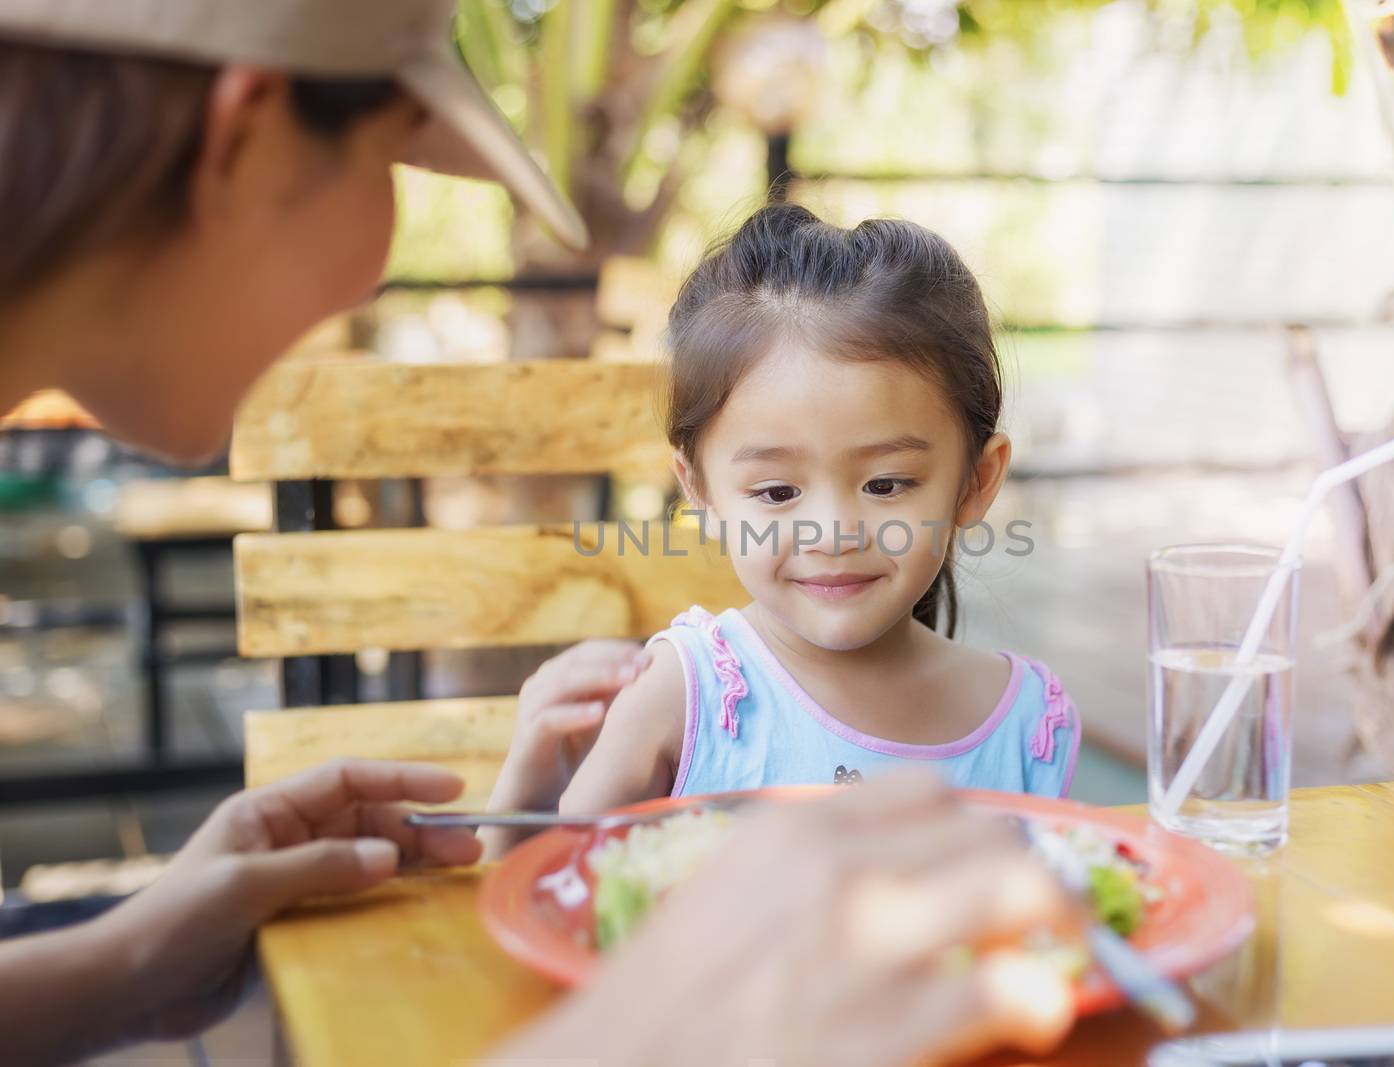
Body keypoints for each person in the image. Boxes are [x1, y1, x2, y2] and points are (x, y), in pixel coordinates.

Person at [0, 2, 1080, 1065]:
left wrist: (134, 959)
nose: (382, 251)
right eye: (392, 159)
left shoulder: (1023, 708)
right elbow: (553, 905)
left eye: (887, 481)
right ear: (241, 144)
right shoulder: (701, 678)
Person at [487, 204, 1082, 820]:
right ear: (703, 493)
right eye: (776, 493)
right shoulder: (683, 697)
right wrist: (526, 790)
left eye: (886, 484)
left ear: (975, 482)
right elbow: (552, 892)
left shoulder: (1027, 723)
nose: (832, 534)